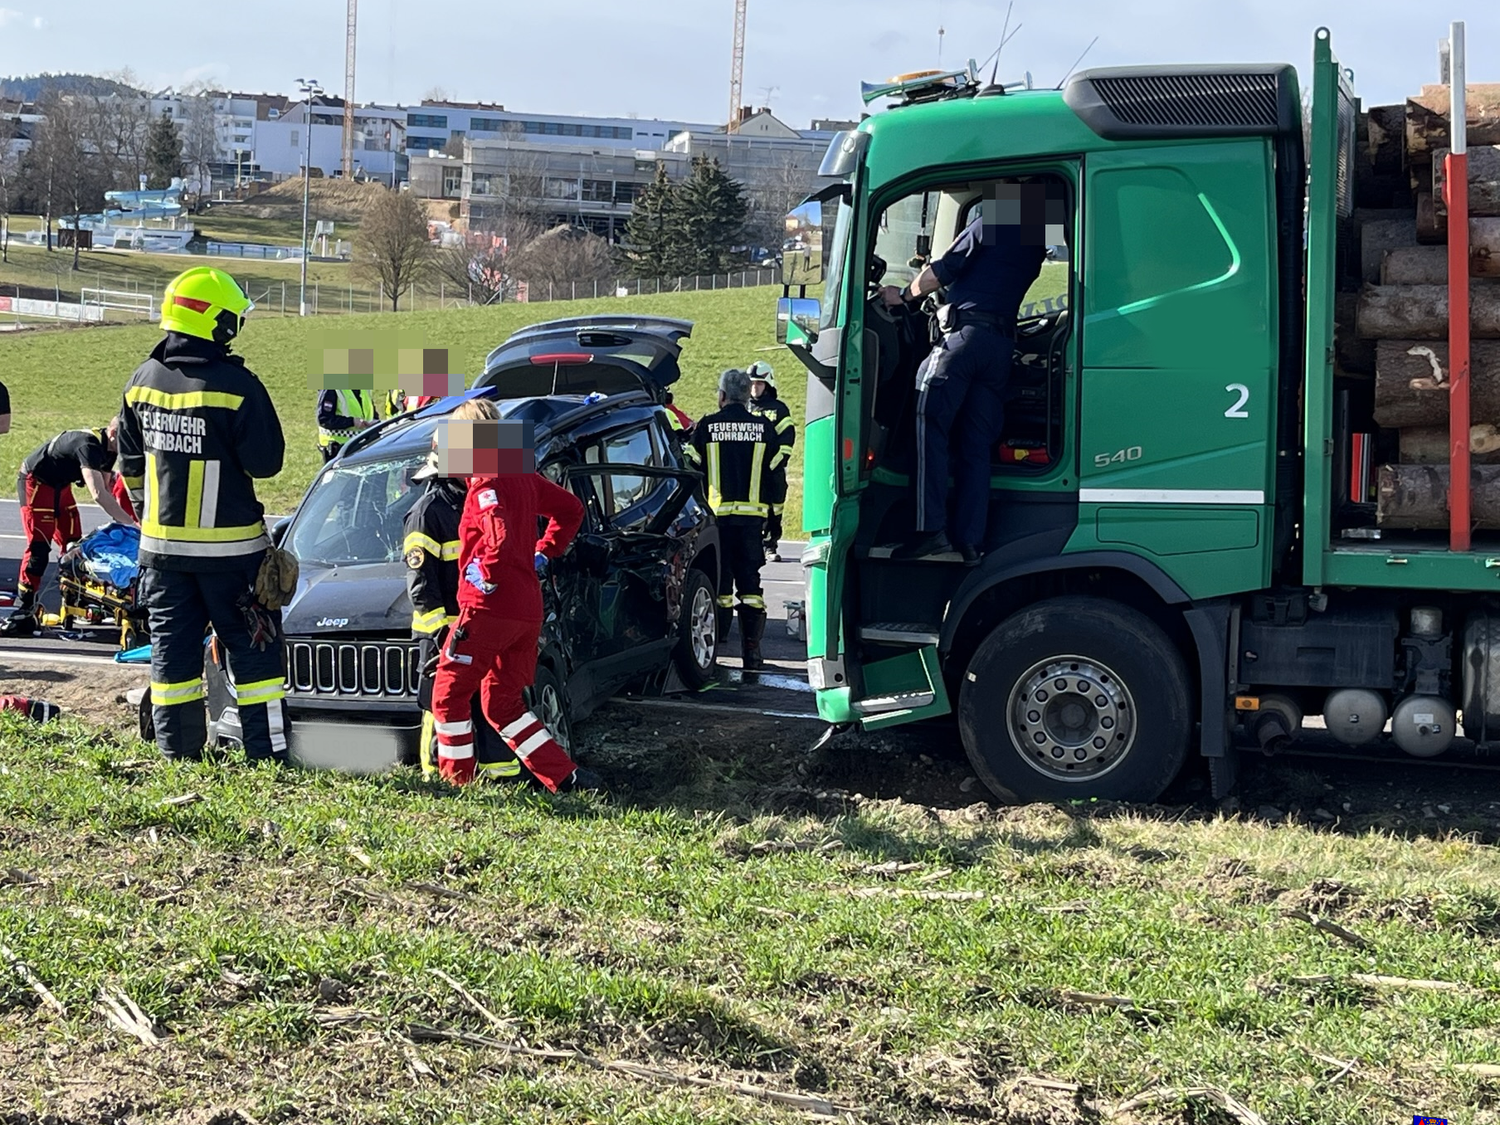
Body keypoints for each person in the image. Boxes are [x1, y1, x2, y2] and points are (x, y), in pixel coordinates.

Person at [116, 266, 288, 762]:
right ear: (217, 323)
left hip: (162, 558)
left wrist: (150, 517)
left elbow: (130, 467)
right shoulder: (237, 386)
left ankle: (178, 755)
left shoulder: (140, 382)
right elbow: (267, 463)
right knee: (256, 659)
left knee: (173, 660)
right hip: (232, 557)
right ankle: (267, 755)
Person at [429, 397, 599, 792]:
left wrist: (485, 576)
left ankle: (457, 783)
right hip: (526, 609)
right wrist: (545, 551)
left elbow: (499, 538)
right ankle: (566, 776)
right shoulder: (520, 471)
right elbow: (571, 509)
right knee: (502, 703)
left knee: (448, 695)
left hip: (488, 608)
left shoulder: (486, 480)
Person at [878, 183, 1049, 564]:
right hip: (1000, 348)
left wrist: (902, 296)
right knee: (976, 445)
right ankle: (970, 541)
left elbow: (944, 270)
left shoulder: (994, 219)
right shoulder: (1036, 240)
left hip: (964, 340)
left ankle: (929, 531)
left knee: (927, 419)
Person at [403, 434, 520, 783]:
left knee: (488, 701)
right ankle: (439, 778)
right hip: (444, 632)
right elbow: (421, 586)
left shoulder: (479, 502)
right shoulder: (427, 512)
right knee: (441, 705)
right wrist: (442, 634)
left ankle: (501, 778)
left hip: (479, 626)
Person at [2, 418, 138, 636]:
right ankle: (24, 608)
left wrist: (128, 521)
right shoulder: (89, 445)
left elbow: (106, 488)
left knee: (73, 543)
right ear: (114, 434)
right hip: (37, 481)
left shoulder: (110, 450)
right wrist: (130, 524)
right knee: (39, 546)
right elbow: (98, 494)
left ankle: (76, 598)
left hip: (60, 485)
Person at [684, 369, 778, 671]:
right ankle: (752, 652)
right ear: (747, 396)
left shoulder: (708, 427)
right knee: (750, 586)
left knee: (719, 585)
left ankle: (718, 648)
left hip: (717, 522)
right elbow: (776, 477)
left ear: (722, 395)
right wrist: (774, 520)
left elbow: (689, 470)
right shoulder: (764, 428)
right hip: (752, 523)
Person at [747, 361, 795, 563]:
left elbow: (786, 442)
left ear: (768, 385)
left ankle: (770, 545)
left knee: (774, 509)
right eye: (751, 383)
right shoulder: (743, 407)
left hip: (771, 472)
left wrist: (771, 466)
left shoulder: (779, 409)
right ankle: (753, 545)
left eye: (759, 383)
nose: (754, 387)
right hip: (748, 471)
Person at [317, 386, 378, 461]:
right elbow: (324, 419)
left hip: (364, 445)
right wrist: (352, 422)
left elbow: (370, 410)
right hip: (339, 449)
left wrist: (375, 422)